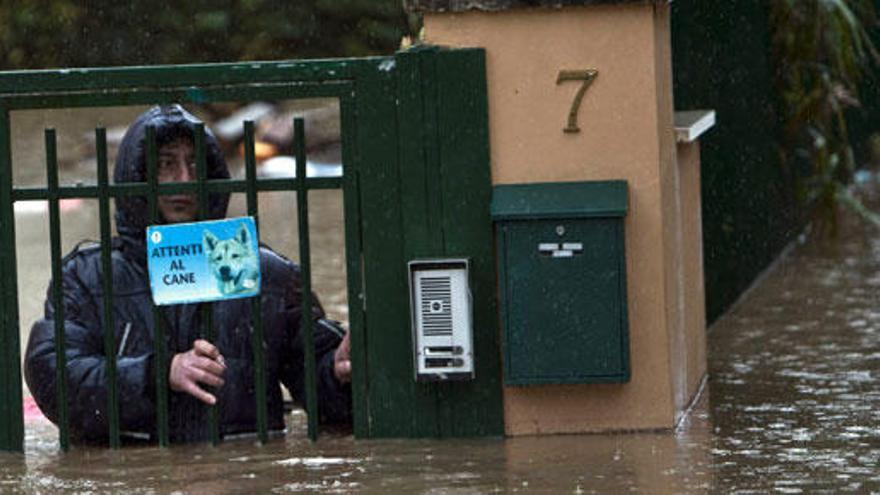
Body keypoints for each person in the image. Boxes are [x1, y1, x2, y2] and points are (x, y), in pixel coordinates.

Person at [24, 104, 352, 444]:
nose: (184, 179)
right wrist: (157, 373)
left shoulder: (267, 274)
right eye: (166, 165)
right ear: (137, 175)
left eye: (195, 164)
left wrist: (339, 371)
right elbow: (56, 378)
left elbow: (323, 393)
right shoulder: (87, 277)